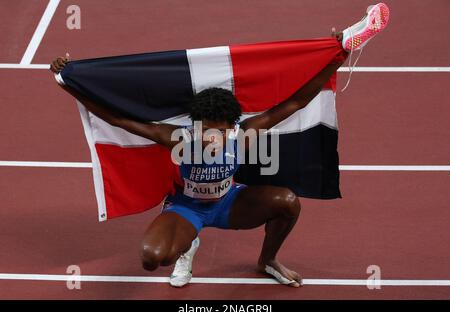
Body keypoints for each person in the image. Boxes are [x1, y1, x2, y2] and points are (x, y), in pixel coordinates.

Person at [50, 3, 389, 288]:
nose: (213, 139)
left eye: (220, 132)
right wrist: (69, 84)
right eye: (206, 131)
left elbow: (296, 102)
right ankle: (188, 244)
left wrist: (334, 58)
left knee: (287, 203)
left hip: (228, 202)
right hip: (186, 208)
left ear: (231, 126)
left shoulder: (244, 132)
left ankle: (267, 260)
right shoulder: (177, 137)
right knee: (152, 259)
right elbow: (119, 120)